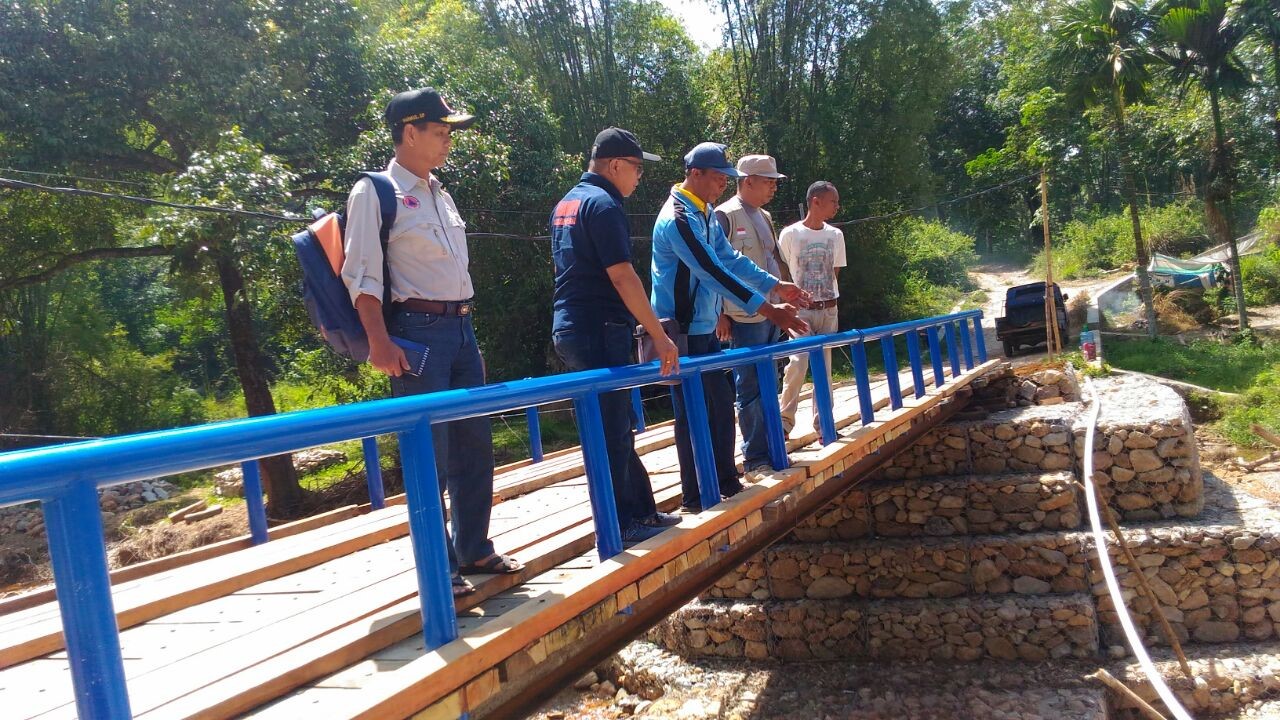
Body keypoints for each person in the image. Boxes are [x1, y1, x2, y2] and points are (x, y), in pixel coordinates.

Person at [341, 88, 521, 597]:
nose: (446, 141)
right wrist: (378, 342)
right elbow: (363, 277)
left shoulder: (439, 192)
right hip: (416, 334)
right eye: (439, 132)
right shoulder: (374, 192)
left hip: (461, 331)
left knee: (474, 448)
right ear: (409, 133)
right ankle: (438, 568)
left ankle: (475, 548)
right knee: (429, 456)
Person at [650, 142, 809, 513]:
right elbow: (711, 270)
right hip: (682, 331)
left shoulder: (702, 211)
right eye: (719, 177)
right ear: (695, 174)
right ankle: (695, 498)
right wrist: (768, 310)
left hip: (703, 328)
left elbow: (729, 258)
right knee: (693, 415)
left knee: (720, 407)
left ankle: (725, 482)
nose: (723, 184)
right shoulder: (678, 218)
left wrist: (774, 284)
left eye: (726, 178)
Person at [549, 127, 683, 544]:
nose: (639, 178)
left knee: (615, 424)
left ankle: (639, 510)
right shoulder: (605, 205)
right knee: (610, 429)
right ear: (615, 165)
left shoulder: (567, 202)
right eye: (638, 169)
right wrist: (660, 335)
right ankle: (621, 523)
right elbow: (622, 276)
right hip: (599, 328)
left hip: (573, 325)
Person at [712, 155, 789, 482]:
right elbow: (712, 269)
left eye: (774, 181)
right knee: (750, 388)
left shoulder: (765, 216)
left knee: (769, 382)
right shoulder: (724, 215)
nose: (773, 186)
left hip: (771, 313)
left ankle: (772, 449)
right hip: (743, 316)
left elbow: (772, 261)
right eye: (768, 180)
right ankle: (755, 459)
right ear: (747, 180)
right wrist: (719, 314)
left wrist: (787, 295)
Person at [778, 181, 847, 435]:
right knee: (798, 362)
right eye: (833, 201)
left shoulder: (835, 235)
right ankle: (784, 422)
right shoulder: (791, 234)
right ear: (816, 201)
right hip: (801, 310)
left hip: (829, 308)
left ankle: (824, 425)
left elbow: (835, 271)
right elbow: (783, 271)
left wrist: (825, 297)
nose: (837, 207)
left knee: (824, 367)